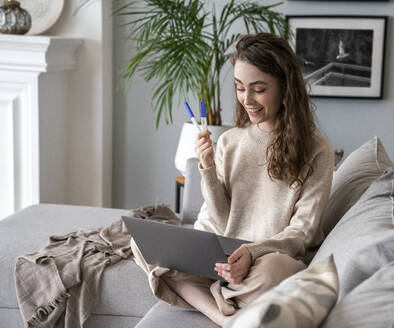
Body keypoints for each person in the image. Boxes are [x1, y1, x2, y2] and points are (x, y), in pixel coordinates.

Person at [131, 33, 334, 327]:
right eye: (240, 88)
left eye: (258, 89)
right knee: (141, 242)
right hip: (222, 254)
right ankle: (224, 315)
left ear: (285, 88)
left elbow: (302, 232)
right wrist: (207, 168)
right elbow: (222, 217)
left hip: (270, 256)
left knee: (273, 273)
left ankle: (209, 294)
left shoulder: (318, 150)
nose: (247, 100)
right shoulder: (231, 141)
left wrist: (252, 252)